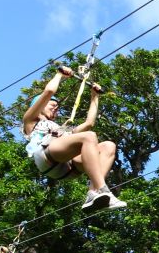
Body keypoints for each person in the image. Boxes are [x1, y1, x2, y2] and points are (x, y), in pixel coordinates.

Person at [22, 65, 126, 210]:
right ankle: (103, 189)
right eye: (52, 104)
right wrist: (59, 75)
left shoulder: (61, 130)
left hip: (68, 168)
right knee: (89, 137)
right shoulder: (31, 119)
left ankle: (93, 192)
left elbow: (89, 123)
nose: (55, 108)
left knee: (108, 145)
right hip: (46, 156)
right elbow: (49, 91)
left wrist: (94, 96)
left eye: (57, 108)